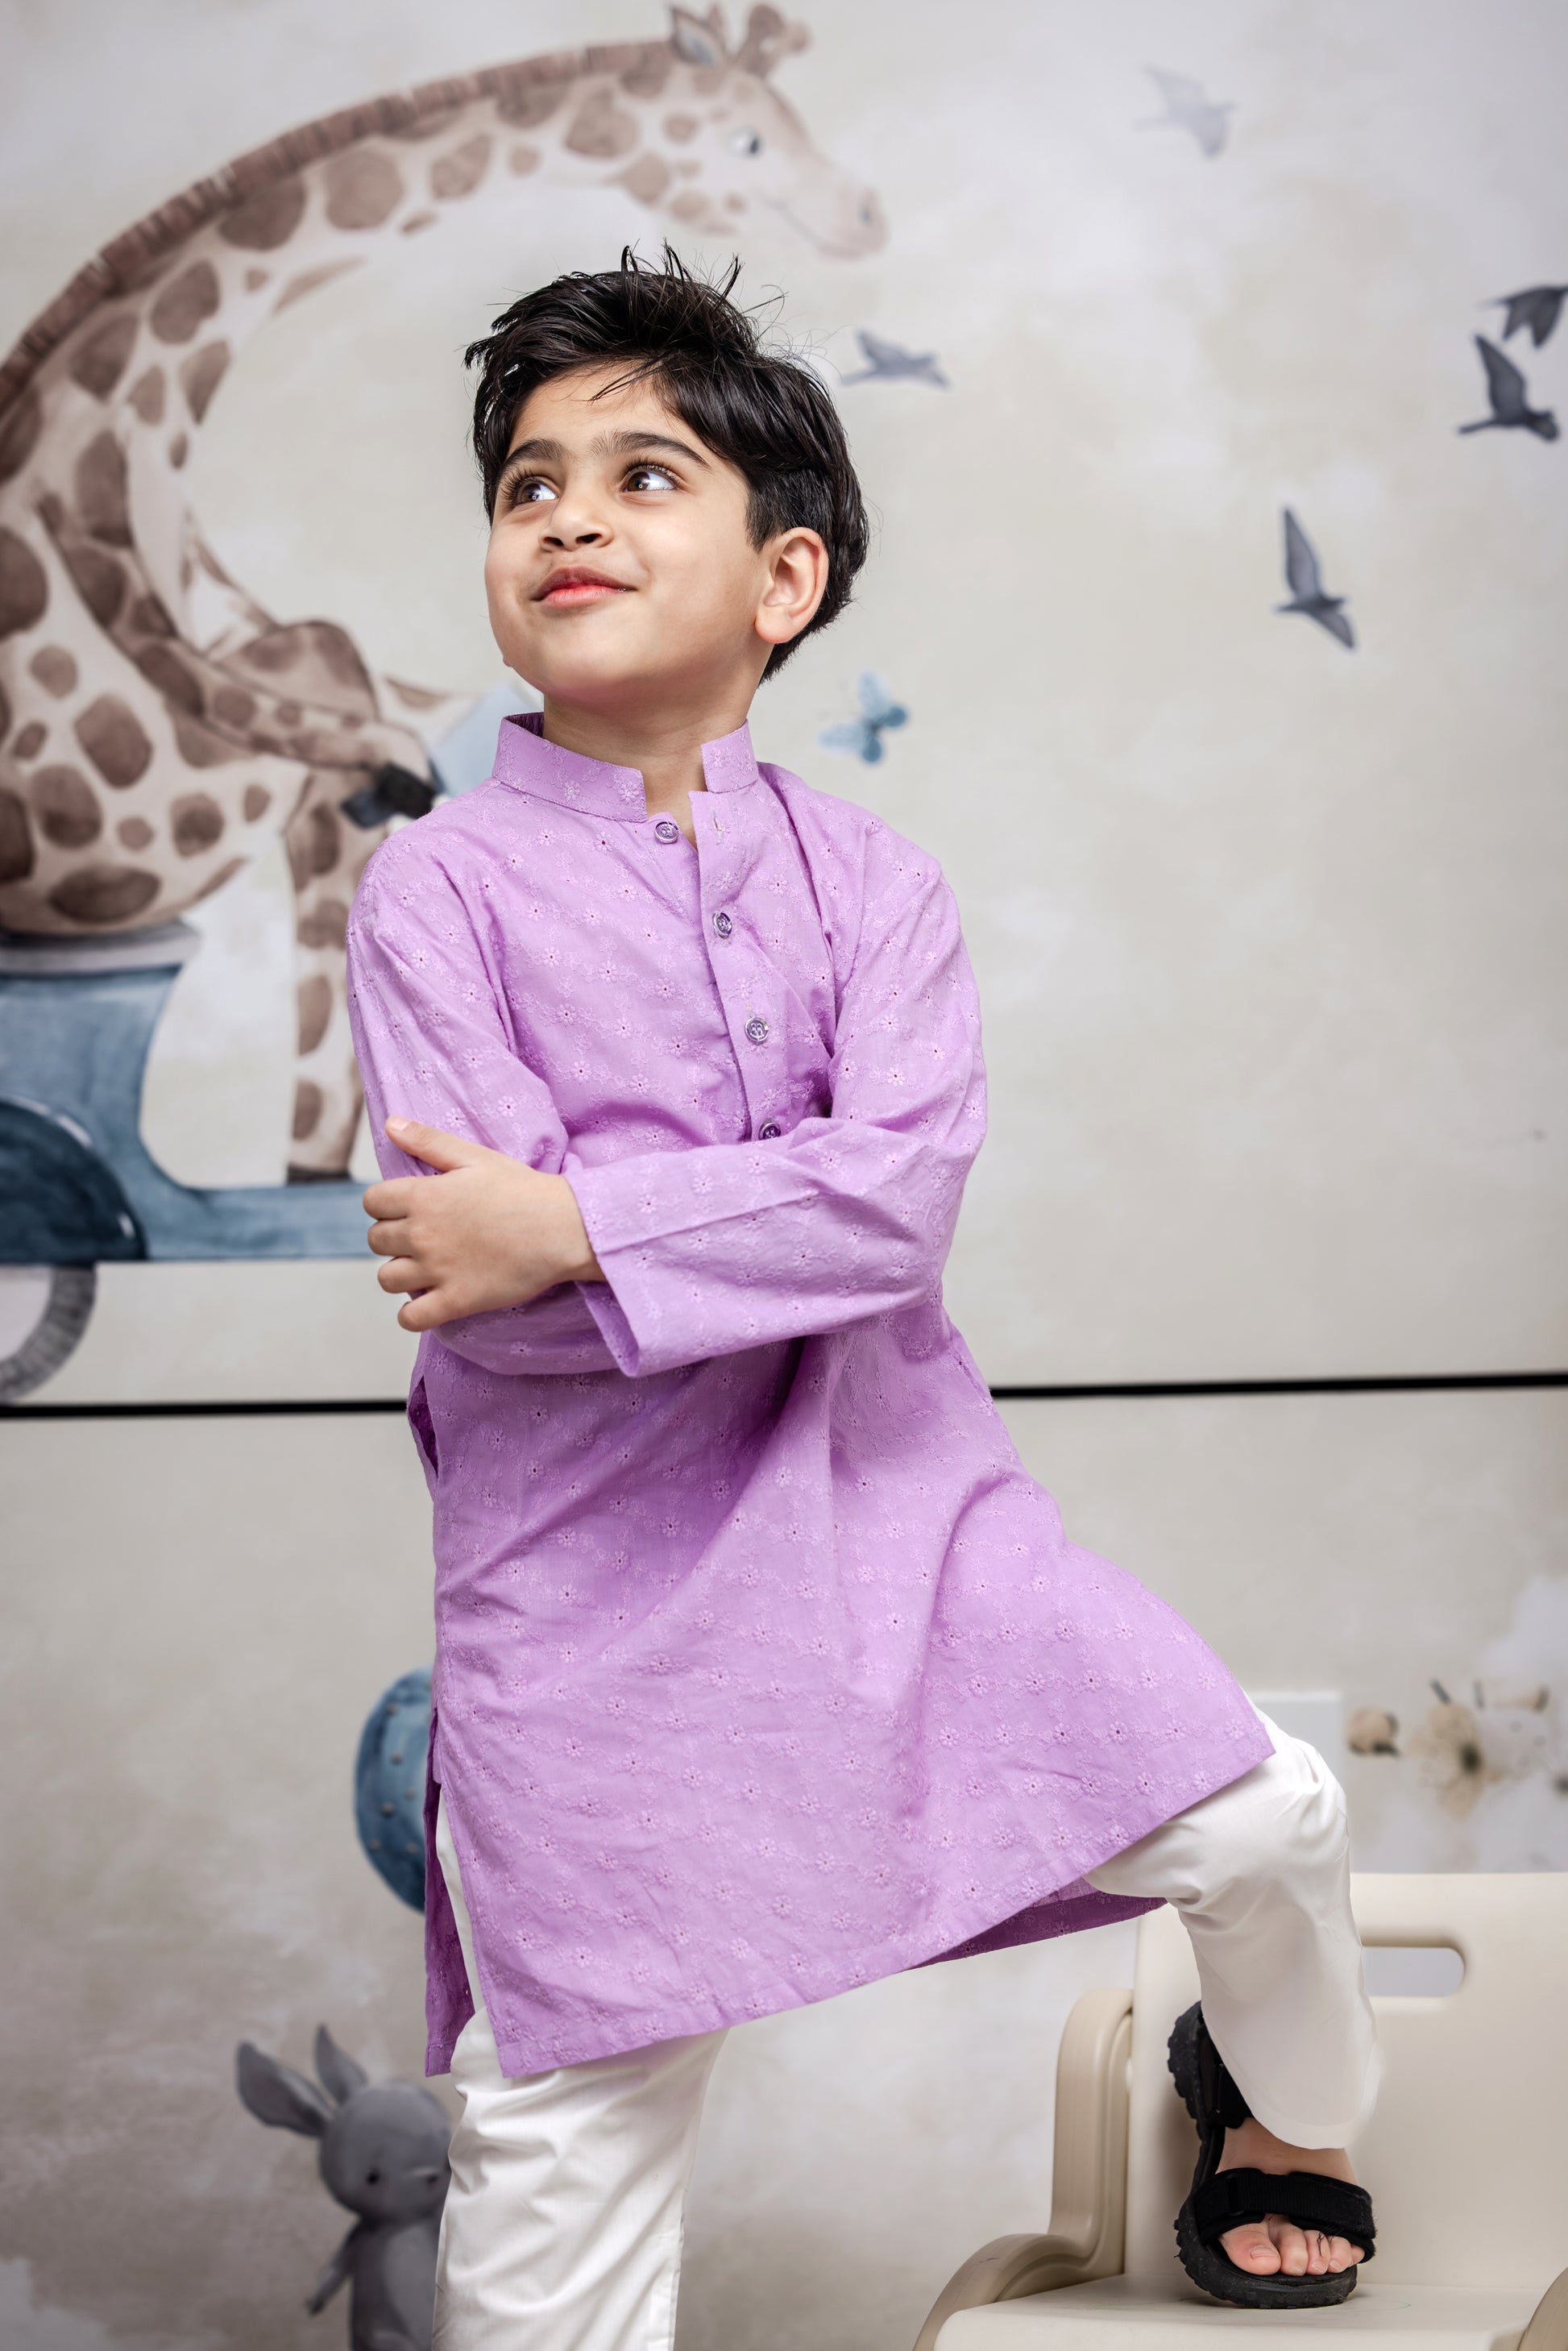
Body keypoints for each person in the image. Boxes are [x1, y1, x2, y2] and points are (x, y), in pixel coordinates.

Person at [345, 250, 1377, 2349]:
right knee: (559, 2160)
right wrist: (647, 1234)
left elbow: (892, 1212)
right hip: (591, 1620)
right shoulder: (433, 887)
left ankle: (1289, 2114)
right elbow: (483, 1290)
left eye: (641, 475)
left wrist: (585, 1222)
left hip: (898, 1529)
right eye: (529, 483)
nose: (566, 517)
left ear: (783, 578)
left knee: (1271, 1814)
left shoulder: (877, 889)